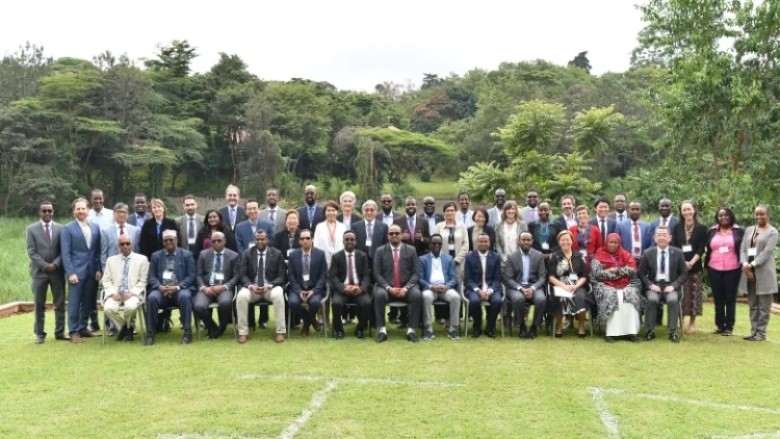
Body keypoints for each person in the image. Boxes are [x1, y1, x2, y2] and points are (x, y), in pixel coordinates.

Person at [61, 197, 102, 343]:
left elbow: (97, 251)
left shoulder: (95, 227)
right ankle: (73, 331)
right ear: (74, 211)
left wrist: (99, 269)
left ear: (88, 210)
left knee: (88, 301)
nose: (81, 211)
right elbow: (65, 254)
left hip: (92, 272)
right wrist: (70, 272)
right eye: (78, 209)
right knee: (74, 303)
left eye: (83, 208)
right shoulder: (67, 229)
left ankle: (83, 328)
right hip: (76, 272)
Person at [373, 224, 423, 343]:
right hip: (387, 288)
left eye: (397, 233)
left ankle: (411, 330)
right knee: (379, 295)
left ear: (401, 235)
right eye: (391, 233)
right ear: (387, 236)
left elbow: (415, 273)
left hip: (406, 288)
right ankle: (382, 331)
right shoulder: (380, 251)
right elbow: (377, 274)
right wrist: (388, 288)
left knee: (417, 295)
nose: (394, 235)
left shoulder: (411, 250)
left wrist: (405, 288)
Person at [145, 230, 196, 345]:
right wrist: (160, 287)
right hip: (161, 291)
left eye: (171, 239)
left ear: (177, 240)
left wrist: (178, 287)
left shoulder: (186, 255)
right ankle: (150, 334)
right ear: (163, 242)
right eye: (165, 240)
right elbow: (151, 276)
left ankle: (187, 333)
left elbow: (191, 275)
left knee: (185, 296)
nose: (168, 242)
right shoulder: (156, 256)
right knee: (152, 298)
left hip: (179, 290)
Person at [26, 201, 67, 343]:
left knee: (60, 303)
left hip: (57, 272)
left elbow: (64, 251)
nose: (47, 213)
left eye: (50, 211)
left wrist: (55, 264)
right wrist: (45, 266)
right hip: (39, 273)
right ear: (40, 212)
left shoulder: (61, 229)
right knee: (39, 304)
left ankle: (60, 332)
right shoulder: (31, 229)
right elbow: (31, 251)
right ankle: (39, 334)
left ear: (53, 212)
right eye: (44, 211)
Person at [237, 229, 288, 343]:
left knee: (279, 294)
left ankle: (280, 331)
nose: (260, 241)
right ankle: (243, 332)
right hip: (253, 288)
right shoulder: (247, 253)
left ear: (267, 240)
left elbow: (281, 276)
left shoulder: (276, 253)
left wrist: (269, 286)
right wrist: (251, 286)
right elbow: (243, 275)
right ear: (254, 240)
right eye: (257, 239)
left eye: (262, 239)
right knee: (241, 296)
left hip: (271, 287)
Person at [590, 233, 643, 343]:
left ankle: (631, 332)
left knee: (629, 295)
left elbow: (632, 270)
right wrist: (613, 273)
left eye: (616, 243)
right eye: (611, 242)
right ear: (606, 242)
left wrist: (616, 271)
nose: (613, 245)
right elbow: (596, 273)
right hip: (604, 284)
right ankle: (611, 333)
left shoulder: (625, 254)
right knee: (614, 296)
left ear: (619, 244)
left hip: (625, 284)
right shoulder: (600, 254)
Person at [638, 226, 687, 343]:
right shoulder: (648, 253)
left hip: (671, 286)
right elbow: (641, 273)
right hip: (654, 286)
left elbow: (684, 274)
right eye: (658, 235)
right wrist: (650, 285)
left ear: (669, 237)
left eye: (664, 234)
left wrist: (673, 286)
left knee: (672, 299)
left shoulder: (678, 253)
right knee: (652, 299)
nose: (661, 237)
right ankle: (650, 331)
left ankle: (673, 332)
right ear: (654, 238)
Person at [101, 234, 149, 342]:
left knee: (131, 307)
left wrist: (131, 293)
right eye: (122, 244)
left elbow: (143, 281)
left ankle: (126, 329)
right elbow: (106, 280)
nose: (125, 246)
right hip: (116, 293)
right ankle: (127, 327)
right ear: (119, 246)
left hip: (132, 293)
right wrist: (113, 293)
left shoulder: (142, 259)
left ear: (132, 245)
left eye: (128, 243)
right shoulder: (110, 261)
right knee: (108, 308)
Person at [740, 205, 778, 342]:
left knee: (764, 306)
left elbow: (767, 252)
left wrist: (752, 265)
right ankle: (753, 331)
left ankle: (761, 333)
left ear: (768, 215)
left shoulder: (773, 232)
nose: (759, 217)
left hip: (764, 273)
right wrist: (745, 264)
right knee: (753, 304)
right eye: (757, 214)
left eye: (762, 214)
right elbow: (743, 249)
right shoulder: (749, 230)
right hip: (748, 273)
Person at [705, 207, 744, 336]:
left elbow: (743, 248)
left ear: (731, 216)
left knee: (730, 298)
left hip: (733, 268)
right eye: (720, 216)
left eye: (726, 215)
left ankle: (729, 327)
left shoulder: (739, 231)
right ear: (717, 218)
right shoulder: (711, 231)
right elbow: (708, 248)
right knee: (718, 298)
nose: (723, 217)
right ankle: (720, 325)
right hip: (714, 267)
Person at [670, 200, 707, 334]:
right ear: (681, 212)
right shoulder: (676, 228)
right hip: (680, 267)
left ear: (694, 210)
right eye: (684, 210)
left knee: (694, 295)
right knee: (682, 295)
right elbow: (673, 246)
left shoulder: (702, 228)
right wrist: (683, 262)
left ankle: (692, 323)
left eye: (689, 209)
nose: (686, 212)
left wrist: (691, 262)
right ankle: (682, 321)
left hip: (695, 266)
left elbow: (701, 247)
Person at [193, 231, 240, 339]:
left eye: (219, 240)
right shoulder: (203, 254)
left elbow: (236, 276)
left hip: (224, 288)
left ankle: (221, 329)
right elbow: (198, 275)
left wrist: (224, 287)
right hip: (207, 287)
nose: (216, 243)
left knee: (225, 303)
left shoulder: (234, 255)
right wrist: (204, 288)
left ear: (225, 241)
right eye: (213, 241)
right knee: (198, 306)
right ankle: (214, 328)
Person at [329, 230, 372, 339]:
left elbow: (366, 275)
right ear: (343, 241)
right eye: (347, 239)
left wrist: (362, 288)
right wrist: (343, 288)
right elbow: (333, 277)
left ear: (356, 242)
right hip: (343, 290)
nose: (349, 241)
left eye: (352, 239)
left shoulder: (362, 256)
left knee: (367, 303)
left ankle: (360, 330)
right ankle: (339, 331)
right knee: (336, 304)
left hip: (359, 290)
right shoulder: (336, 257)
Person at [503, 232, 547, 338]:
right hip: (516, 287)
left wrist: (532, 288)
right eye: (523, 240)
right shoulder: (511, 257)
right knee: (518, 299)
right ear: (519, 241)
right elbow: (508, 278)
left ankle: (534, 327)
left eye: (528, 240)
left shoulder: (539, 255)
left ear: (532, 241)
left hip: (534, 287)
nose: (526, 242)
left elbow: (542, 277)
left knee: (541, 299)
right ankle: (522, 326)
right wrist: (520, 288)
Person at [547, 230, 589, 338]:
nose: (565, 242)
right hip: (560, 285)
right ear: (559, 242)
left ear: (572, 241)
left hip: (577, 285)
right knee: (560, 296)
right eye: (562, 240)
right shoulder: (554, 256)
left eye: (567, 239)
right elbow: (551, 276)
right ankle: (559, 325)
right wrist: (564, 286)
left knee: (581, 296)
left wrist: (576, 286)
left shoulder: (579, 256)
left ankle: (581, 326)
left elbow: (584, 276)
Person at [419, 233, 461, 340]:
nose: (437, 245)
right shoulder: (422, 259)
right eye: (434, 243)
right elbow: (420, 278)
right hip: (430, 288)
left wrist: (447, 286)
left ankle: (453, 329)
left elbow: (453, 278)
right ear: (430, 245)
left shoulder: (449, 258)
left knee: (455, 297)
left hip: (445, 289)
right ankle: (428, 329)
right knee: (426, 297)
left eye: (439, 243)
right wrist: (430, 286)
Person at [287, 229, 328, 336]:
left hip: (314, 289)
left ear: (312, 240)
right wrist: (299, 291)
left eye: (308, 238)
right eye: (302, 239)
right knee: (292, 302)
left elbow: (323, 276)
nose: (305, 240)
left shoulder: (320, 254)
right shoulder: (293, 255)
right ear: (299, 241)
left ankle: (306, 326)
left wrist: (314, 291)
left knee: (314, 303)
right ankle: (312, 321)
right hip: (298, 289)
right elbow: (291, 276)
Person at [464, 233, 502, 338]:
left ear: (489, 243)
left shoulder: (496, 257)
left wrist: (489, 291)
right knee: (475, 301)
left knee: (498, 301)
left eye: (486, 241)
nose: (483, 243)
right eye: (481, 241)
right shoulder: (469, 257)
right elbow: (467, 279)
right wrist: (478, 290)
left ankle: (489, 328)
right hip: (475, 288)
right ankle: (477, 327)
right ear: (477, 243)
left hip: (491, 288)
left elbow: (497, 279)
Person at [433, 202, 470, 281]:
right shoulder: (439, 226)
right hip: (442, 262)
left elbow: (466, 245)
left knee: (459, 283)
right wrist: (444, 259)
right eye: (447, 210)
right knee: (444, 282)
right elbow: (435, 245)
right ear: (444, 212)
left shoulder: (462, 226)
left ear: (456, 212)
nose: (450, 212)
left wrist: (457, 260)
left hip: (459, 263)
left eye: (452, 210)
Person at [100, 203, 140, 271]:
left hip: (131, 270)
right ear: (113, 214)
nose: (121, 214)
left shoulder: (136, 231)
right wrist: (105, 271)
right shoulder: (106, 232)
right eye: (118, 212)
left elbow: (137, 251)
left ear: (127, 214)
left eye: (124, 212)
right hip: (113, 270)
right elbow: (103, 255)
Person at [313, 200, 347, 266]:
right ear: (325, 212)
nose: (331, 213)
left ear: (337, 212)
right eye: (328, 210)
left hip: (339, 261)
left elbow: (345, 245)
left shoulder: (343, 227)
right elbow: (316, 246)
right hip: (323, 262)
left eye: (333, 210)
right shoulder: (319, 227)